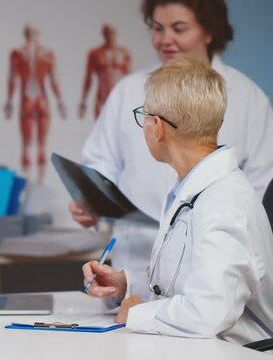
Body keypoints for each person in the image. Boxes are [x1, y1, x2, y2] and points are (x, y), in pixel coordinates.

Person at [70, 0, 273, 301]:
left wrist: (141, 313)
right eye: (157, 28)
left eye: (179, 28)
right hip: (136, 268)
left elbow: (260, 194)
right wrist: (89, 202)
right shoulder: (129, 90)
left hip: (210, 272)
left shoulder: (247, 100)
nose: (166, 39)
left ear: (209, 32)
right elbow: (99, 164)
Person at [82, 58, 273, 344]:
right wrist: (126, 283)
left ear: (157, 127)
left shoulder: (224, 202)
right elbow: (184, 284)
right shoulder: (190, 188)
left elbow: (206, 313)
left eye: (143, 116)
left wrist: (140, 313)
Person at [4, 24, 67, 183]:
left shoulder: (44, 54)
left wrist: (60, 101)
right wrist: (10, 101)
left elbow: (53, 79)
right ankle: (29, 177)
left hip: (38, 97)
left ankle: (38, 178)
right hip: (31, 97)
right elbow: (12, 78)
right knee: (28, 142)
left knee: (40, 142)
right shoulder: (19, 53)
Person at [78, 23, 131, 120]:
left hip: (119, 96)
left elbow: (128, 78)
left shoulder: (124, 53)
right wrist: (83, 101)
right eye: (107, 33)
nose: (110, 36)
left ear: (116, 34)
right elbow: (88, 79)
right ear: (103, 35)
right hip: (102, 96)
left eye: (112, 33)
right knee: (101, 128)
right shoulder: (95, 53)